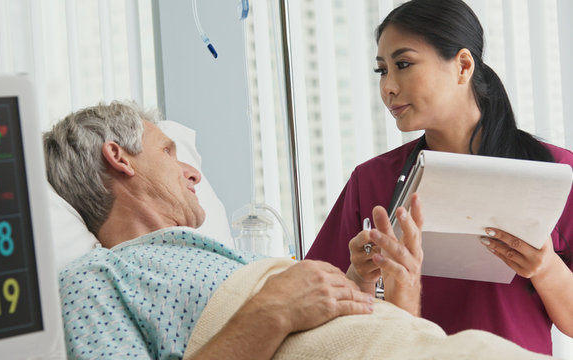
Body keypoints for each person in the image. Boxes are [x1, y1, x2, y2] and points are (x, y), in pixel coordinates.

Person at [43, 101, 424, 359]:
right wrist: (270, 312)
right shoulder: (94, 278)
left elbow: (359, 344)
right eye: (167, 152)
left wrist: (383, 284)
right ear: (118, 157)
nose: (194, 172)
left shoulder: (228, 258)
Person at [305, 0, 573, 355]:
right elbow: (313, 315)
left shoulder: (554, 172)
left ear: (462, 66)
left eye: (403, 65)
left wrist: (545, 268)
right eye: (382, 71)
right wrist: (360, 276)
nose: (388, 87)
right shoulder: (369, 181)